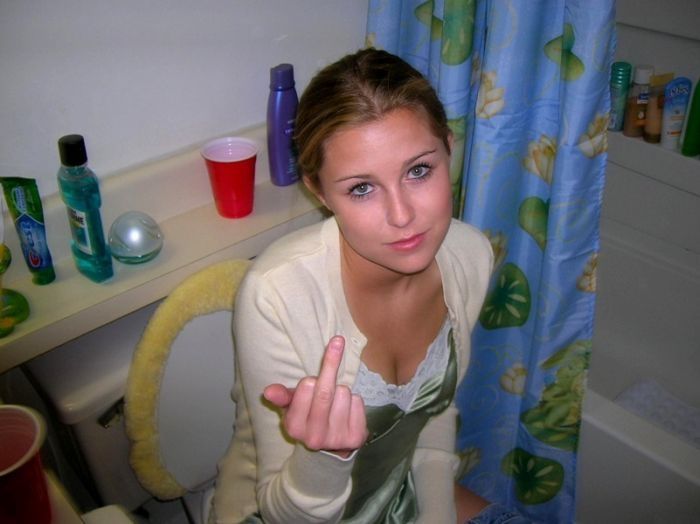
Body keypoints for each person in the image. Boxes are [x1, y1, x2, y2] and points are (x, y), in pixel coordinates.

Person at [213, 48, 525, 523]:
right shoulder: (277, 294)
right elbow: (280, 513)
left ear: (448, 148)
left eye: (418, 170)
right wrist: (325, 458)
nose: (402, 216)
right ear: (319, 191)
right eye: (361, 188)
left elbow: (432, 424)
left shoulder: (470, 257)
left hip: (399, 495)